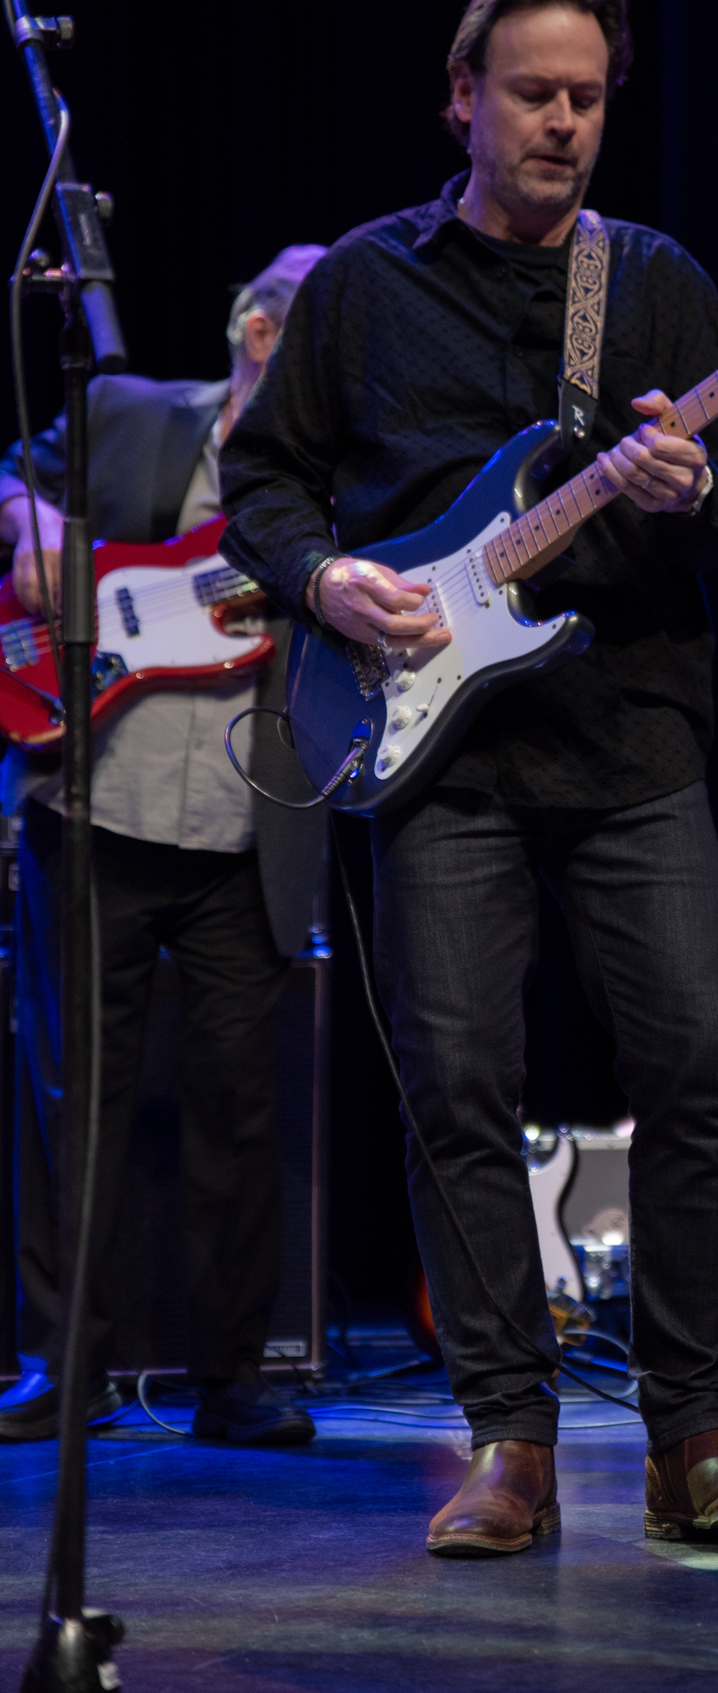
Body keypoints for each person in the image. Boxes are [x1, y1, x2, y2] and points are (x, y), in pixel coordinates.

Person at [219, 0, 718, 1548]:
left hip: (628, 736)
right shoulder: (365, 283)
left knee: (694, 1070)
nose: (563, 122)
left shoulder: (655, 281)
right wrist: (324, 581)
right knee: (457, 1088)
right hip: (434, 754)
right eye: (534, 93)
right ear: (461, 99)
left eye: (588, 98)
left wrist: (695, 490)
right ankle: (511, 1444)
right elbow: (263, 483)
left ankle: (693, 1438)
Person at [0, 245, 328, 1446]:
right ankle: (62, 1369)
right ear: (262, 335)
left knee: (239, 1109)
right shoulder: (137, 413)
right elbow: (11, 473)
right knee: (70, 1098)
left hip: (246, 831)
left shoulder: (339, 490)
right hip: (95, 808)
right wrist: (35, 527)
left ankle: (232, 1380)